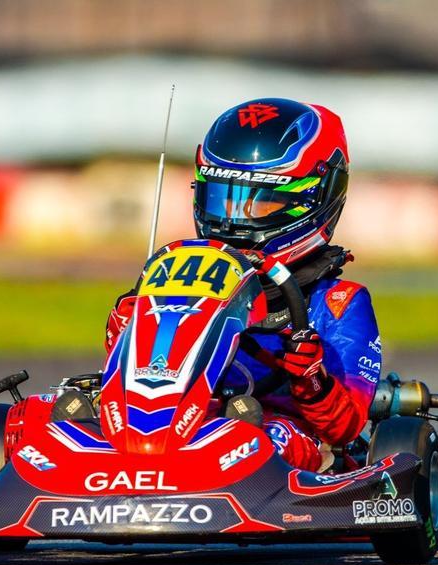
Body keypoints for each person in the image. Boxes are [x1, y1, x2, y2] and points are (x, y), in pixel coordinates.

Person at [105, 98, 381, 472]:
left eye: (260, 204)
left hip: (273, 429)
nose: (233, 221)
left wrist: (312, 379)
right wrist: (126, 330)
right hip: (179, 417)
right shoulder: (181, 276)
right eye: (222, 199)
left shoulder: (337, 302)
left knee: (262, 438)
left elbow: (346, 428)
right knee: (35, 417)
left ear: (314, 199)